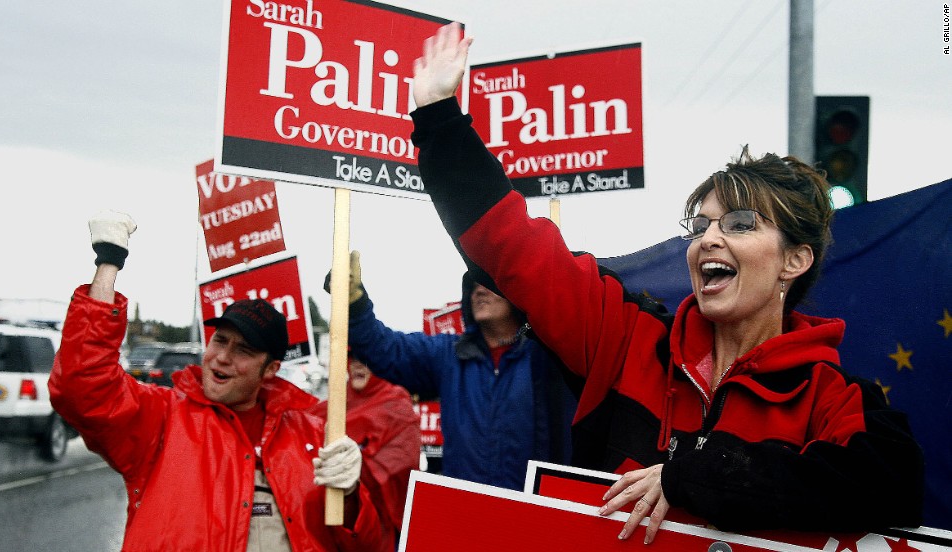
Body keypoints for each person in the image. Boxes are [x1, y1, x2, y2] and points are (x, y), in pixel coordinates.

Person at [407, 22, 925, 544]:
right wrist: (437, 120)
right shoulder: (628, 339)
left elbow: (890, 483)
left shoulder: (829, 394)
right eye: (701, 227)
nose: (709, 240)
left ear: (794, 260)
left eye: (740, 224)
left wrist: (693, 475)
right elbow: (515, 249)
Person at [49, 211, 383, 551]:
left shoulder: (313, 435)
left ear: (270, 370)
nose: (222, 357)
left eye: (243, 350)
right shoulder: (162, 419)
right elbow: (82, 387)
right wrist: (108, 263)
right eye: (220, 340)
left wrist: (352, 496)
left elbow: (367, 546)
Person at [325, 251, 577, 491]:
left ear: (516, 293)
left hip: (532, 515)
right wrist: (355, 305)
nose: (478, 290)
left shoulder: (549, 357)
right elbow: (387, 349)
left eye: (490, 283)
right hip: (463, 512)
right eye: (474, 285)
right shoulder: (449, 355)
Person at [310, 351, 421, 552]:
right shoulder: (331, 406)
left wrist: (350, 468)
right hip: (328, 525)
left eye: (366, 358)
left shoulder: (397, 406)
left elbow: (402, 465)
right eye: (353, 358)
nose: (358, 365)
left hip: (377, 525)